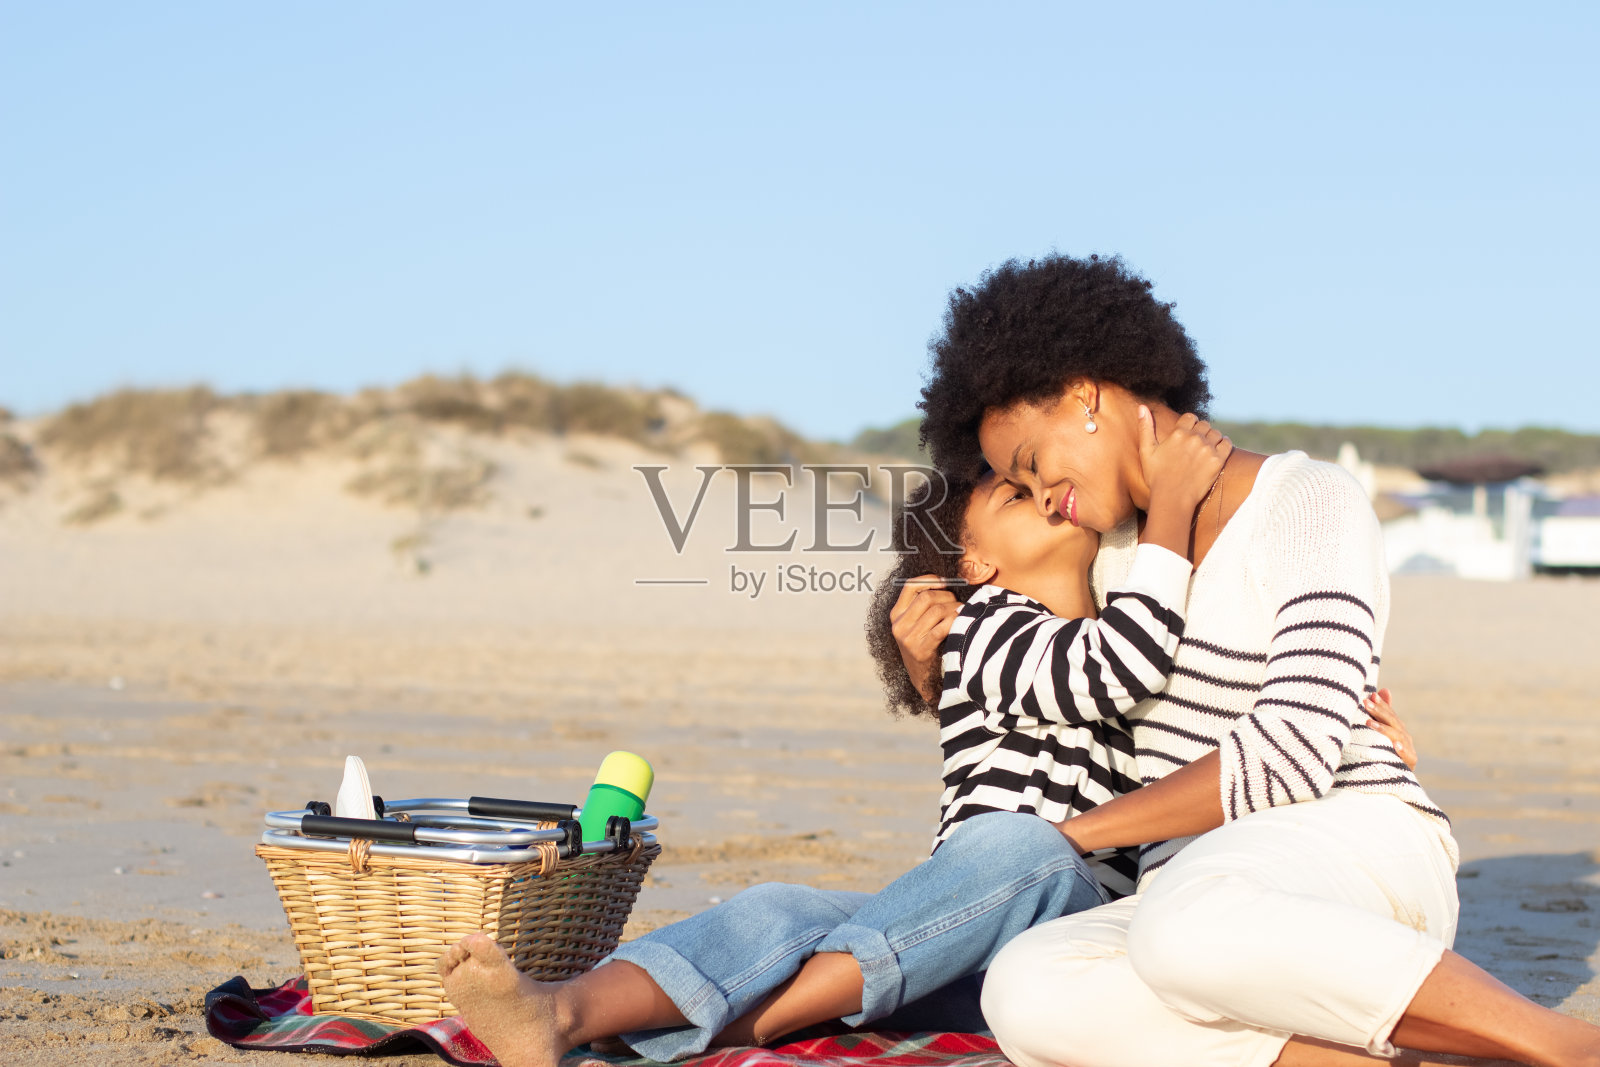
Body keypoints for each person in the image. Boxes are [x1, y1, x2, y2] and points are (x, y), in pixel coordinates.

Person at [900, 252, 1600, 1067]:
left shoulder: (1307, 499)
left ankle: (1567, 1046)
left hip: (1349, 848)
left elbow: (1292, 753)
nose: (1044, 495)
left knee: (1189, 925)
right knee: (1027, 985)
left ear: (1084, 395)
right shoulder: (1105, 556)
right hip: (1192, 889)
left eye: (1030, 462)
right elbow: (1032, 673)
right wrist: (926, 667)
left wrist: (1064, 838)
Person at [432, 416, 1239, 1067]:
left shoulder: (1118, 614)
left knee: (1016, 853)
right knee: (785, 907)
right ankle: (562, 1010)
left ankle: (756, 1019)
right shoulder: (983, 627)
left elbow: (1135, 661)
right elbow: (1113, 668)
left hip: (1062, 942)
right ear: (976, 563)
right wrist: (1171, 505)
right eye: (1011, 496)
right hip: (958, 925)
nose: (1038, 494)